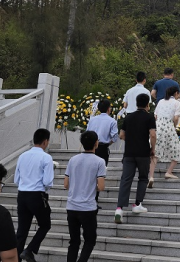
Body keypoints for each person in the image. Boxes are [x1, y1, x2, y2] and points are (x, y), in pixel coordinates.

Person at [64, 131, 106, 262]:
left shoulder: (73, 160)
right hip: (87, 207)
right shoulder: (99, 161)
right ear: (96, 143)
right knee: (89, 240)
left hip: (71, 206)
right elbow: (101, 186)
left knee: (74, 241)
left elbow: (66, 184)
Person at [114, 93, 156, 224]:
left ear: (137, 103)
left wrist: (131, 140)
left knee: (126, 179)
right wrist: (152, 149)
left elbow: (121, 135)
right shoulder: (149, 117)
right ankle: (137, 204)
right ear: (147, 104)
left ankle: (119, 209)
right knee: (143, 178)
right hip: (143, 153)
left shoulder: (129, 117)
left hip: (129, 153)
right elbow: (153, 135)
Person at [14, 129, 55, 262]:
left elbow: (16, 180)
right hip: (37, 195)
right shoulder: (46, 157)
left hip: (22, 195)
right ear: (45, 141)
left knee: (22, 231)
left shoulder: (22, 156)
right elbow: (48, 181)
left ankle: (16, 259)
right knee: (45, 225)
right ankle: (30, 250)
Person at [149, 86, 180, 184]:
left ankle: (151, 176)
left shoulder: (160, 101)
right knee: (177, 150)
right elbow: (176, 118)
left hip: (158, 126)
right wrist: (174, 126)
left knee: (155, 152)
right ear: (176, 93)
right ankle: (169, 172)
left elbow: (155, 116)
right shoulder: (176, 103)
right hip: (168, 126)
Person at [85, 98, 119, 204]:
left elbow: (87, 133)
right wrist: (108, 143)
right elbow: (114, 137)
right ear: (109, 109)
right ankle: (95, 199)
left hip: (90, 148)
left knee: (89, 173)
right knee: (100, 174)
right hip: (103, 148)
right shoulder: (112, 121)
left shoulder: (92, 119)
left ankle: (88, 197)